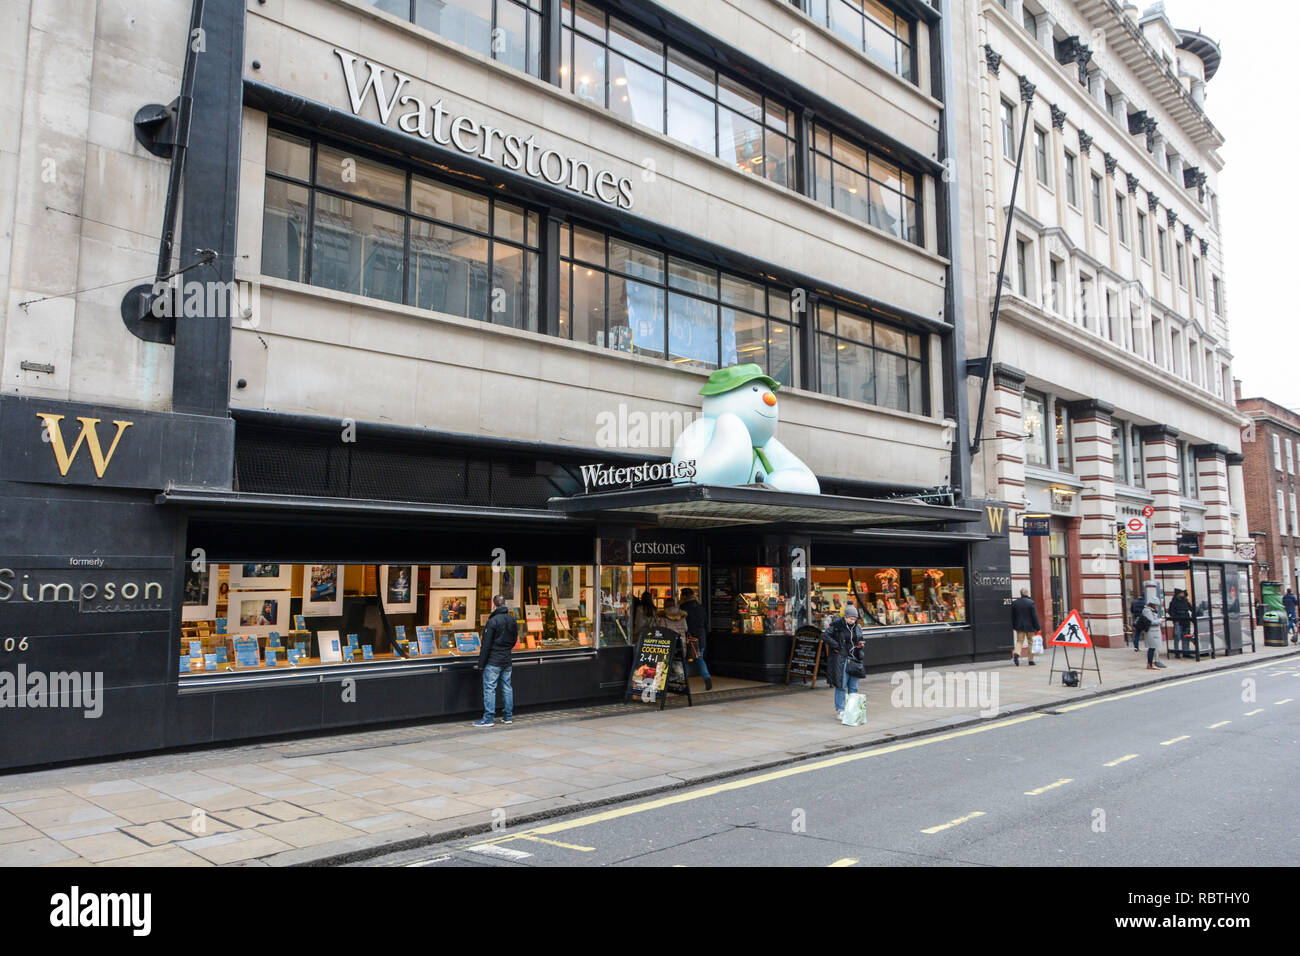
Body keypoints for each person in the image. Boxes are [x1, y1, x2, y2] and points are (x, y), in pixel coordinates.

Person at [473, 595, 518, 727]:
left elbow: (486, 645)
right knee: (507, 687)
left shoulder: (493, 621)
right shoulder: (512, 619)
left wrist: (481, 664)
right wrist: (506, 650)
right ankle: (508, 716)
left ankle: (488, 718)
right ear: (504, 604)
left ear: (493, 605)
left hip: (493, 660)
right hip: (506, 659)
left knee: (490, 688)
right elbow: (514, 639)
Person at [823, 604, 865, 720]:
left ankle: (852, 709)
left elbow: (860, 638)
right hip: (842, 660)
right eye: (851, 618)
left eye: (855, 619)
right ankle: (840, 710)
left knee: (853, 687)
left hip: (854, 659)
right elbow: (825, 636)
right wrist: (836, 646)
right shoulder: (836, 626)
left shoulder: (857, 627)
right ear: (845, 617)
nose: (853, 621)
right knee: (841, 685)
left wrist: (860, 645)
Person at [679, 587, 712, 691]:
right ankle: (707, 678)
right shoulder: (700, 607)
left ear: (684, 596)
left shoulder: (683, 607)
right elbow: (706, 623)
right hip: (701, 637)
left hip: (688, 637)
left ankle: (683, 682)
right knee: (699, 658)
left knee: (685, 660)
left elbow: (683, 624)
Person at [1009, 588, 1040, 666]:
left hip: (1019, 626)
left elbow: (1012, 616)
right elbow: (1034, 616)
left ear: (1021, 594)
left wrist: (1014, 626)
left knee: (1019, 641)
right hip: (1030, 627)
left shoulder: (1015, 603)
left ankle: (1016, 654)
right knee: (1030, 642)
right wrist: (1038, 627)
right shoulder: (1031, 603)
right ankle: (1031, 660)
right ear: (1027, 593)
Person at [1166, 588, 1195, 659]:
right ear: (1177, 594)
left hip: (1186, 621)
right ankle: (1177, 652)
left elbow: (1191, 608)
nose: (1183, 594)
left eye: (1183, 593)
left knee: (1186, 637)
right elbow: (1171, 611)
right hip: (1178, 622)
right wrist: (1175, 620)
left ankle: (1186, 652)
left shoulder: (1185, 601)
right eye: (1181, 593)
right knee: (1177, 637)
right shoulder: (1173, 602)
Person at [1140, 601, 1165, 669]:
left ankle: (1150, 664)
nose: (1157, 606)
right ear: (1153, 605)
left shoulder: (1150, 610)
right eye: (1156, 605)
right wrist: (1160, 620)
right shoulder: (1147, 611)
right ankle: (1150, 664)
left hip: (1153, 632)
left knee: (1152, 648)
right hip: (1151, 632)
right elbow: (1151, 622)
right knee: (1151, 648)